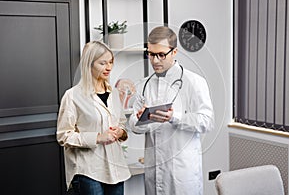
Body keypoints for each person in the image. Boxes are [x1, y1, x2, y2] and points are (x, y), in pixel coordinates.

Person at [129, 26, 214, 195]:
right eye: (151, 54)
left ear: (174, 52)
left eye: (161, 55)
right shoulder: (145, 85)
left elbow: (207, 122)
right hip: (154, 169)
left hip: (181, 171)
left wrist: (174, 117)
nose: (154, 60)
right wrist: (142, 119)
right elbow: (133, 125)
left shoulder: (194, 82)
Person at [56, 41, 131, 195]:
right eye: (102, 63)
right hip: (88, 171)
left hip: (115, 168)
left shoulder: (114, 94)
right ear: (89, 64)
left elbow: (122, 123)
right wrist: (97, 137)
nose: (108, 67)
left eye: (111, 62)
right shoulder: (72, 96)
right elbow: (63, 136)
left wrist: (120, 132)